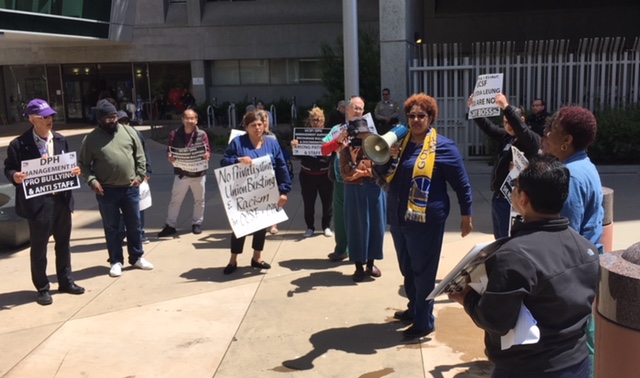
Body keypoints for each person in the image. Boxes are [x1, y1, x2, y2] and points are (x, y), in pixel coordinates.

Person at [449, 155, 599, 378]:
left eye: (515, 186)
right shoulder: (588, 250)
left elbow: (496, 320)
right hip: (576, 363)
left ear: (523, 198)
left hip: (527, 368)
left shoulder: (514, 255)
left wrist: (468, 297)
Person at [374, 93, 473, 339]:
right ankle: (414, 308)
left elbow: (461, 184)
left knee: (424, 271)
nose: (416, 120)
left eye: (422, 115)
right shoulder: (401, 144)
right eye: (412, 115)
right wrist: (383, 156)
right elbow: (385, 173)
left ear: (431, 118)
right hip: (399, 218)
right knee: (407, 267)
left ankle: (424, 321)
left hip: (426, 220)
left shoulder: (443, 146)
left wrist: (466, 214)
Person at [540, 106, 604, 374]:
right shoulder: (582, 166)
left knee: (575, 346)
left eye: (553, 131)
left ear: (566, 141)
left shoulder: (573, 176)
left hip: (574, 276)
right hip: (585, 270)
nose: (547, 134)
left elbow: (566, 236)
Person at [3, 99, 85, 305]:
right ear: (32, 120)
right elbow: (9, 168)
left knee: (64, 244)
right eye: (44, 117)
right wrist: (15, 176)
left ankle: (66, 281)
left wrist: (74, 171)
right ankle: (42, 287)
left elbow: (67, 164)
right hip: (39, 203)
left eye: (51, 116)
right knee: (39, 247)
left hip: (62, 201)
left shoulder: (59, 140)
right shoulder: (19, 144)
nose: (50, 120)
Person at [78, 100, 154, 277]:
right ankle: (116, 261)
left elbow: (140, 155)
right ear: (100, 119)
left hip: (130, 188)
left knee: (134, 224)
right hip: (107, 191)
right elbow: (83, 164)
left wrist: (140, 176)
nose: (113, 121)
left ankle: (136, 257)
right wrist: (92, 181)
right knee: (112, 227)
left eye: (115, 117)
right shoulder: (91, 139)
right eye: (109, 118)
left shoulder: (128, 132)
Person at [220, 110, 292, 274]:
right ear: (246, 127)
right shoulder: (238, 143)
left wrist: (284, 190)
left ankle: (257, 258)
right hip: (242, 192)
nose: (258, 128)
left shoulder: (272, 143)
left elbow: (282, 167)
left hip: (265, 192)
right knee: (240, 227)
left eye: (260, 124)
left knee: (261, 226)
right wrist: (237, 160)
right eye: (253, 125)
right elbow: (224, 161)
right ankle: (233, 260)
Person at [469, 93, 540, 239]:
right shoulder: (507, 137)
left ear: (522, 121)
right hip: (499, 198)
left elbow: (522, 131)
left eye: (511, 122)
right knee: (500, 238)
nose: (508, 126)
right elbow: (488, 128)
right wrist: (474, 110)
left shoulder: (530, 140)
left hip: (516, 200)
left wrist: (506, 107)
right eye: (505, 123)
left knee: (510, 240)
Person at [339, 118, 386, 281]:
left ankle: (371, 263)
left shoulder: (375, 146)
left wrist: (363, 173)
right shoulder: (345, 149)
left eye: (364, 133)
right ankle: (358, 266)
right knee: (356, 228)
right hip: (354, 192)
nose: (361, 137)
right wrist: (353, 162)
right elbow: (345, 174)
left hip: (374, 190)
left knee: (376, 226)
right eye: (358, 134)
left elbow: (381, 170)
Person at [321, 96, 365, 261]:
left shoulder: (369, 129)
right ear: (347, 110)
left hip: (362, 180)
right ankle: (341, 249)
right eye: (355, 108)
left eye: (361, 108)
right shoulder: (337, 129)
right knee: (340, 217)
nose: (358, 111)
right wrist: (338, 142)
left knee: (361, 218)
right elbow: (324, 149)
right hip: (341, 179)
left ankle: (362, 254)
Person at [157, 109, 211, 237]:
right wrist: (170, 156)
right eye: (187, 118)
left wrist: (206, 155)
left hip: (198, 173)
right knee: (175, 200)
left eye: (192, 118)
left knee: (199, 200)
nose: (190, 121)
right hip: (182, 173)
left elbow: (207, 149)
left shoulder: (202, 134)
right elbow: (169, 150)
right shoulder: (174, 134)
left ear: (196, 120)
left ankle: (197, 223)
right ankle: (170, 225)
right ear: (182, 120)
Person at [291, 107, 333, 238]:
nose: (316, 122)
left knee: (327, 202)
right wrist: (295, 147)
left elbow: (333, 154)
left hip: (325, 174)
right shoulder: (302, 135)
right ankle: (310, 227)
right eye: (314, 120)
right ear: (310, 121)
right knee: (309, 203)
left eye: (319, 120)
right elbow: (298, 156)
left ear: (323, 122)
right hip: (307, 174)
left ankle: (326, 226)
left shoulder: (329, 136)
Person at [117, 111, 152, 244]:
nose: (124, 124)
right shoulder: (112, 136)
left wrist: (147, 172)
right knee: (120, 210)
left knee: (139, 207)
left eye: (126, 122)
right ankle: (120, 235)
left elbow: (144, 153)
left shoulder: (136, 134)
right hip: (120, 179)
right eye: (121, 122)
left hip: (137, 177)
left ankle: (140, 234)